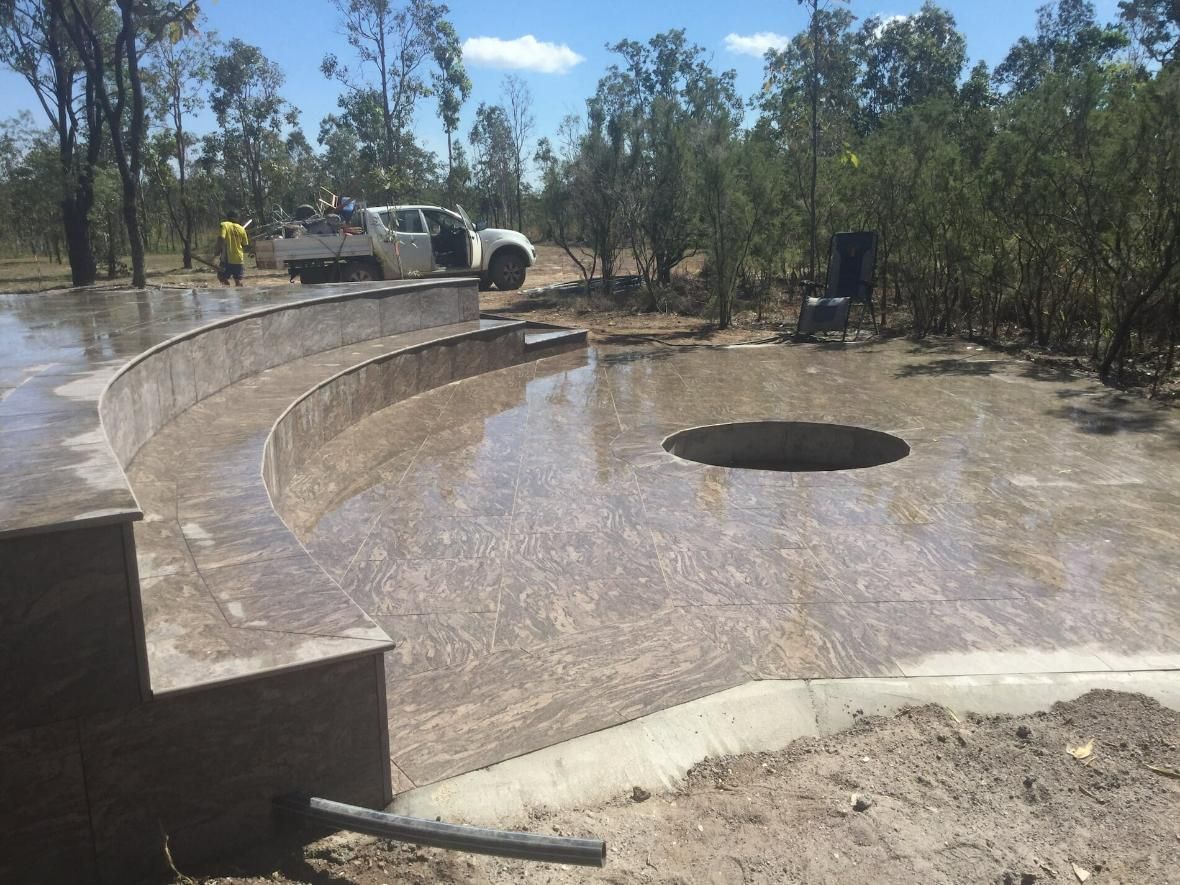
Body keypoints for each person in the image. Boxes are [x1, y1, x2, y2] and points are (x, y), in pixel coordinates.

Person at [216, 211, 250, 286]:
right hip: (239, 259)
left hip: (227, 258)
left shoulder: (224, 225)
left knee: (221, 277)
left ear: (227, 217)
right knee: (238, 280)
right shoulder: (241, 229)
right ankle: (240, 293)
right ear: (237, 218)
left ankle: (227, 290)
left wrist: (218, 249)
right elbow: (245, 244)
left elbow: (221, 237)